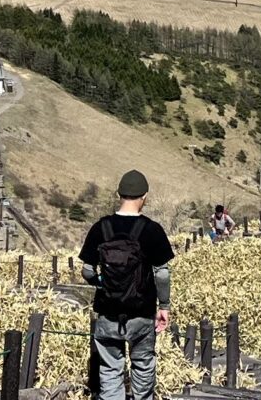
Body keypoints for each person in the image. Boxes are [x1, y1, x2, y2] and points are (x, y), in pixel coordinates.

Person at [79, 169, 174, 400]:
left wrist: (104, 283)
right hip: (141, 313)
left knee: (110, 370)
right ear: (145, 197)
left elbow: (87, 270)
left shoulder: (101, 228)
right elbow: (162, 274)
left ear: (118, 194)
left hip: (108, 314)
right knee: (143, 367)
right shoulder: (152, 230)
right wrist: (164, 306)